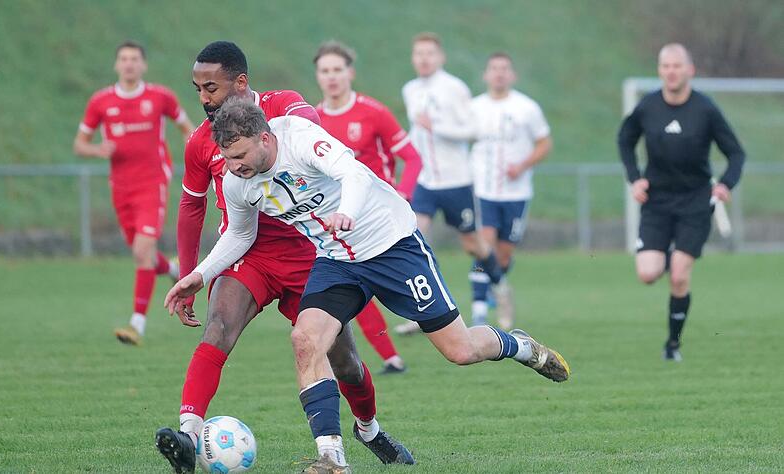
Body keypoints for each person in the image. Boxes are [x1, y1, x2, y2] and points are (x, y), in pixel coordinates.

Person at [165, 99, 570, 473]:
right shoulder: (237, 182)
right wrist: (199, 275)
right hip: (337, 261)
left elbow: (352, 172)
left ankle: (520, 346)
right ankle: (332, 458)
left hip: (393, 246)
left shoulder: (299, 139)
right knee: (305, 339)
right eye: (227, 158)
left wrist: (347, 212)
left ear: (265, 139)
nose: (233, 166)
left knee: (460, 350)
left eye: (239, 156)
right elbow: (240, 234)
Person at [154, 41, 412, 474]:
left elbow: (311, 132)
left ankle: (369, 430)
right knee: (218, 328)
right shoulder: (201, 142)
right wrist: (190, 275)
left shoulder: (285, 107)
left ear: (241, 83)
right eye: (197, 89)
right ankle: (188, 436)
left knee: (345, 362)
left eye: (211, 88)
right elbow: (191, 208)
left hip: (310, 256)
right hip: (246, 253)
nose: (204, 99)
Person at [617, 43, 745, 361]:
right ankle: (668, 256)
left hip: (695, 202)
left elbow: (736, 153)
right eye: (666, 66)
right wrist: (635, 178)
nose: (671, 72)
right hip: (657, 201)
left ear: (690, 70)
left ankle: (672, 345)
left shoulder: (705, 109)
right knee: (648, 274)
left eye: (677, 66)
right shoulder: (648, 106)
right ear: (659, 70)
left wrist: (725, 185)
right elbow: (625, 139)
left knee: (678, 276)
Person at [73, 40, 194, 345]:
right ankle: (173, 269)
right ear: (117, 65)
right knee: (144, 254)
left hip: (152, 183)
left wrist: (196, 155)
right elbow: (79, 144)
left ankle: (137, 323)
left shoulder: (160, 97)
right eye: (124, 59)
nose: (129, 64)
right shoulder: (101, 101)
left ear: (143, 65)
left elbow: (187, 128)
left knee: (142, 251)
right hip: (121, 187)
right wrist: (98, 149)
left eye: (134, 59)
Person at [314, 40, 423, 374]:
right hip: (342, 221)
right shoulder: (312, 120)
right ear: (318, 76)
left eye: (337, 69)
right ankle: (391, 357)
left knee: (407, 287)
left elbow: (412, 158)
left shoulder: (373, 112)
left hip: (382, 218)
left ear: (350, 73)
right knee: (353, 288)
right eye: (325, 71)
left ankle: (439, 323)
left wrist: (403, 193)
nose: (332, 77)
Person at [396, 32, 502, 335]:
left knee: (473, 245)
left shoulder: (454, 88)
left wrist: (437, 126)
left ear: (440, 57)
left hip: (456, 181)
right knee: (411, 237)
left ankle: (500, 285)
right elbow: (417, 131)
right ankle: (423, 311)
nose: (424, 59)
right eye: (419, 53)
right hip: (425, 181)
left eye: (429, 53)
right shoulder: (410, 89)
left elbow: (473, 131)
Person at [469, 52, 552, 328]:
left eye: (504, 68)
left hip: (517, 193)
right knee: (484, 246)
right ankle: (479, 311)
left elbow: (544, 143)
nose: (499, 73)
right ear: (486, 75)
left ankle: (498, 285)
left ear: (512, 75)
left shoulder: (526, 108)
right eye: (494, 68)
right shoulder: (473, 108)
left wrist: (523, 165)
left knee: (503, 255)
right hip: (483, 191)